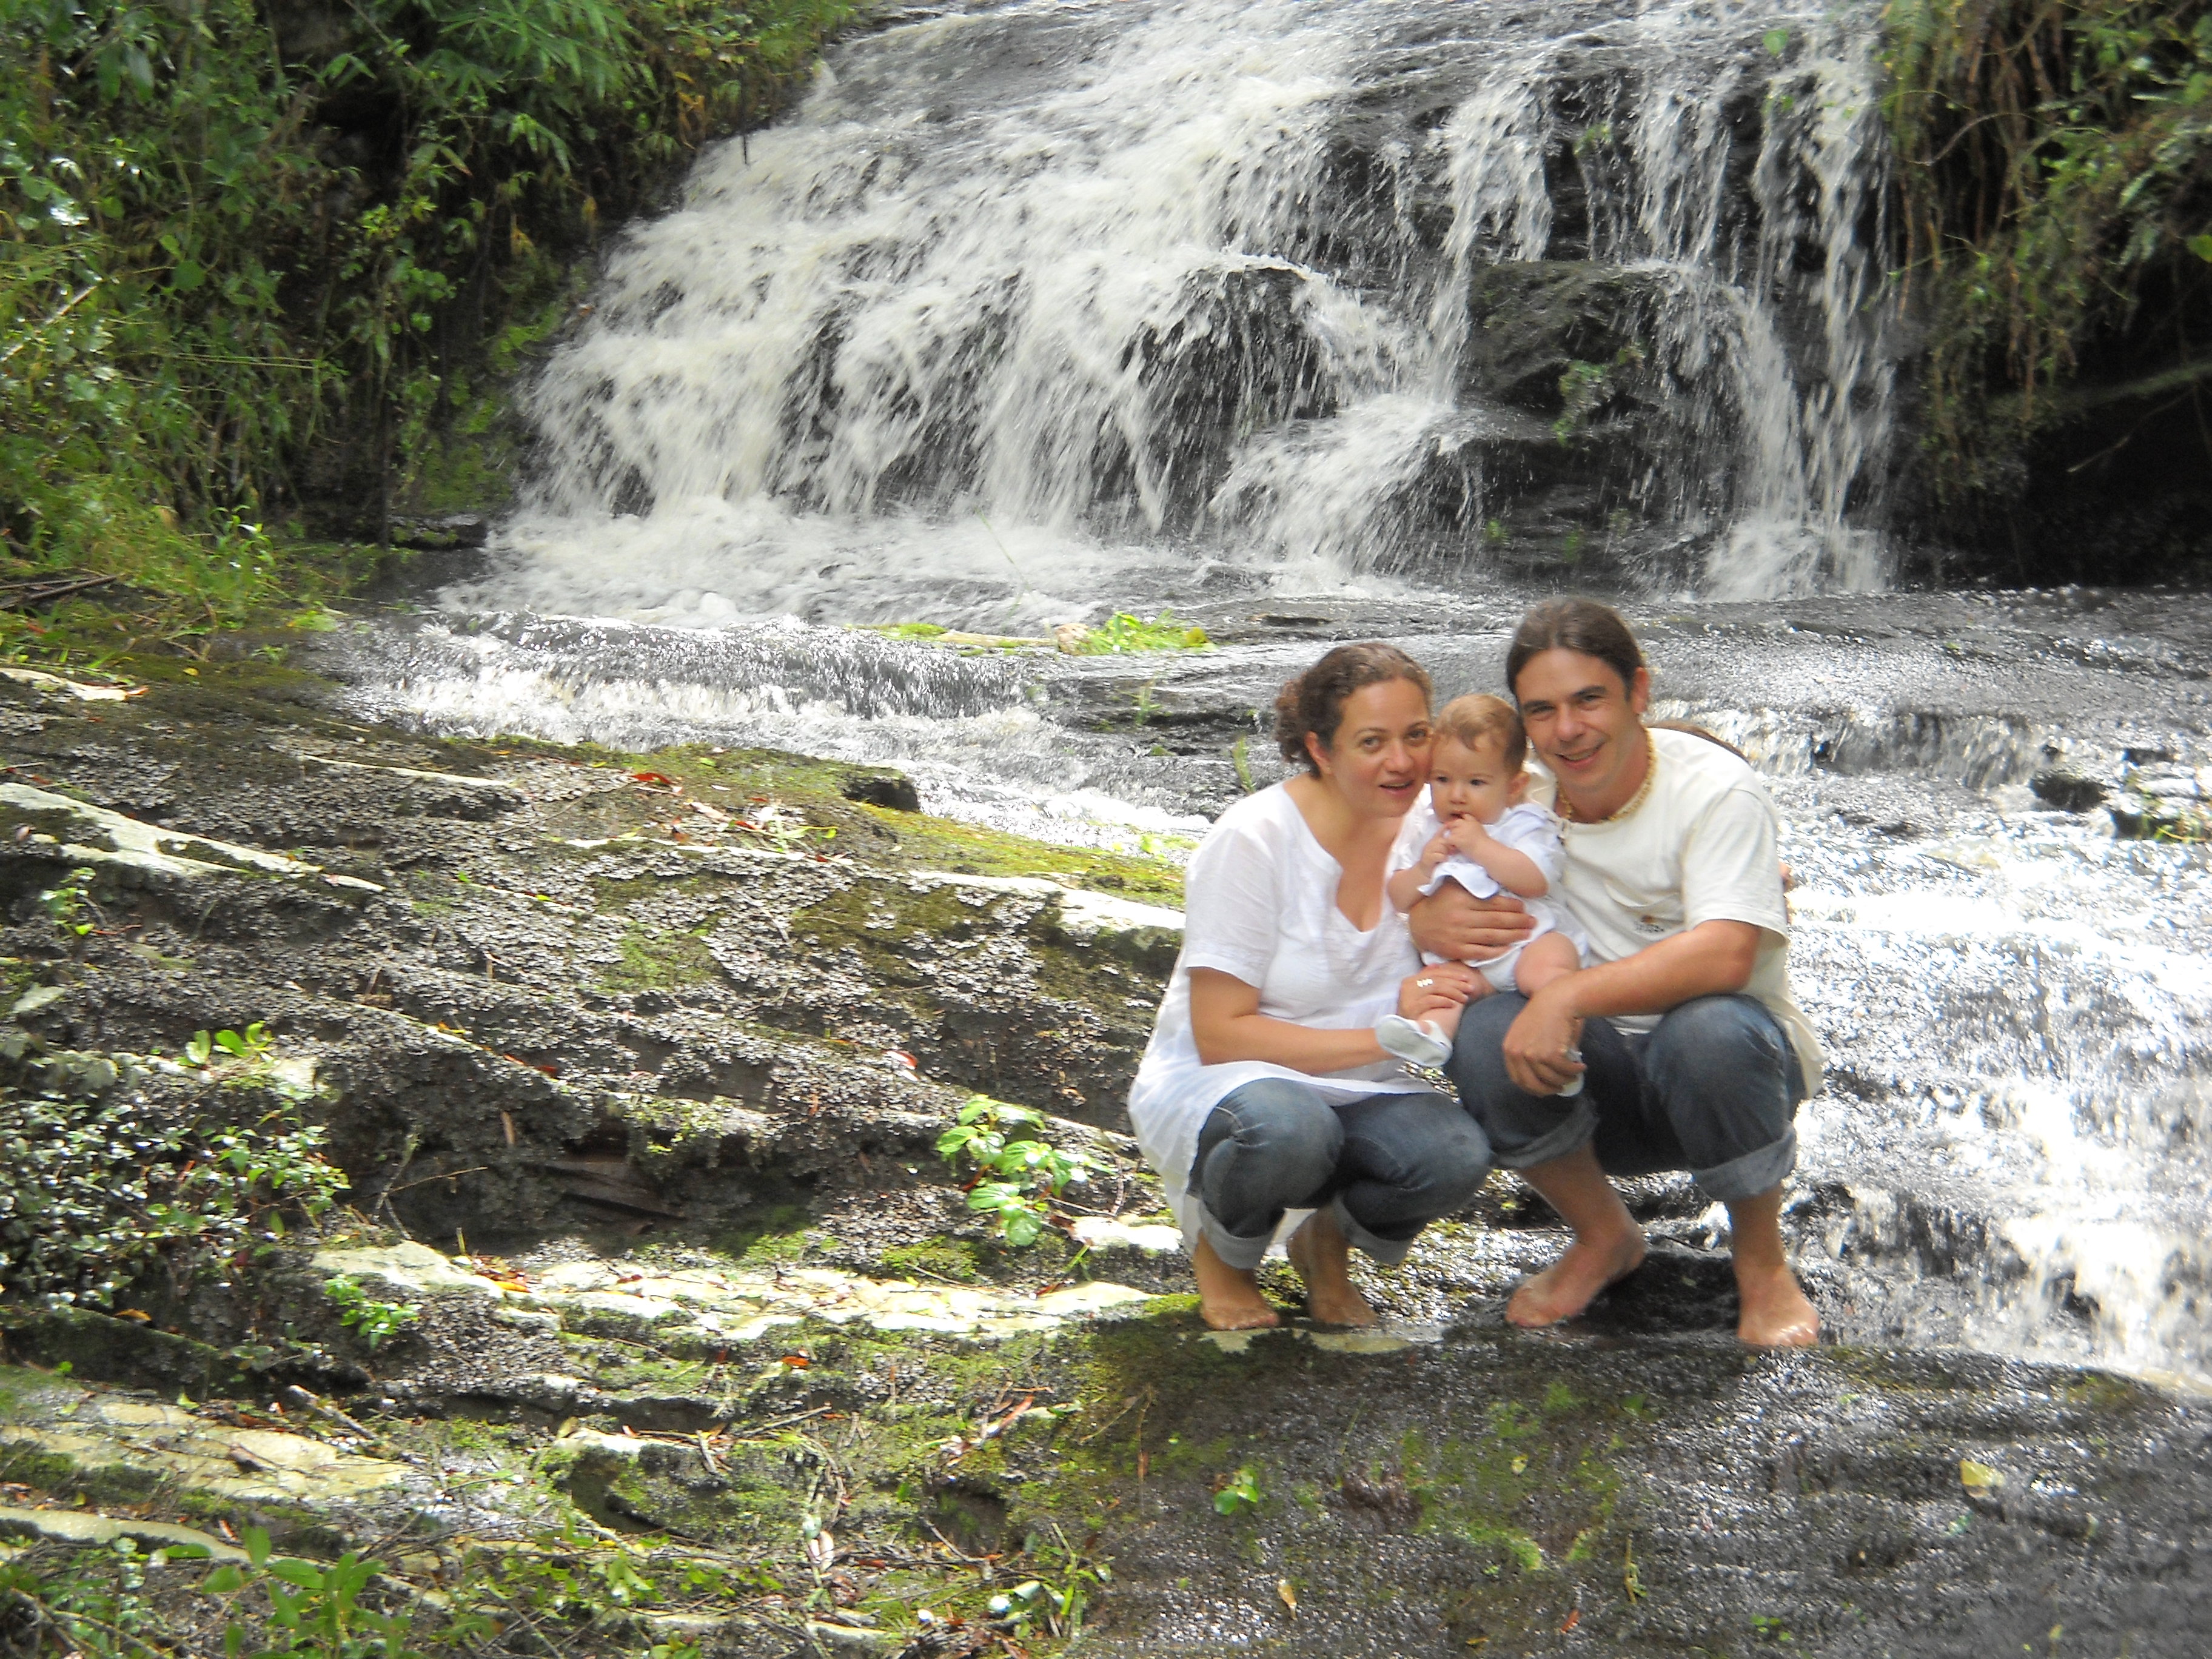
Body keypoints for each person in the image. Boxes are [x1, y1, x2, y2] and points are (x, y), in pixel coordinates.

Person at [1413, 598, 1823, 1347]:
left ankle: (1762, 1265)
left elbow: (1727, 952)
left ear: (1639, 692)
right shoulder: (1506, 791)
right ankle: (1605, 1236)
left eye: (1589, 699)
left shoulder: (1717, 789)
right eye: (1542, 711)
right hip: (1589, 1081)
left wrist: (1566, 992)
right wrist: (1421, 921)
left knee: (1708, 1027)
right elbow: (1386, 860)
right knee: (1482, 1029)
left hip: (1728, 1079)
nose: (1567, 729)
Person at [1127, 643, 1491, 1332]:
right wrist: (1388, 1033)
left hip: (1367, 1088)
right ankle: (1224, 1255)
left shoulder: (1436, 832)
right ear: (1321, 751)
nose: (1404, 762)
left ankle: (1325, 1241)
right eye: (1372, 742)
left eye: (1417, 736)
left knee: (1455, 1152)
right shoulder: (1254, 838)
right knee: (1292, 1130)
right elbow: (1220, 1033)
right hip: (1236, 1082)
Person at [1374, 693, 1587, 1071]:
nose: (1456, 795)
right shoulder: (1426, 828)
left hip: (1528, 944)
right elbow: (1397, 896)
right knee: (1439, 987)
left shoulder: (1523, 823)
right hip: (1462, 961)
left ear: (1514, 785)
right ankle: (1430, 1038)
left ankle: (1564, 1042)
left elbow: (1535, 880)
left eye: (1476, 782)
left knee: (1551, 968)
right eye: (1442, 779)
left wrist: (1482, 845)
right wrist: (1423, 871)